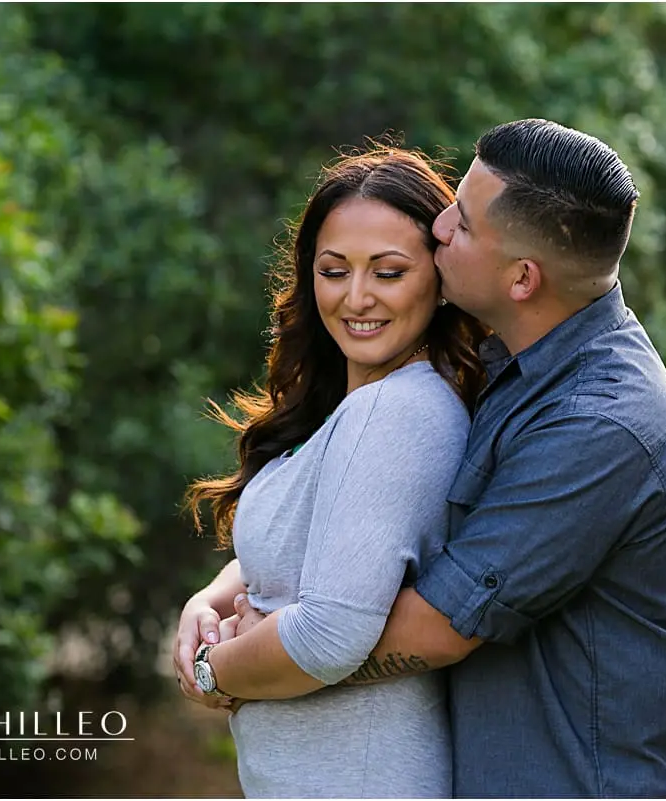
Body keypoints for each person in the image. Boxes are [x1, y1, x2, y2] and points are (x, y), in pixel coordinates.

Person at [178, 118, 666, 799]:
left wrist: (226, 665)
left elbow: (436, 627)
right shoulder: (512, 372)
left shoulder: (602, 426)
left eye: (460, 223)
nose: (439, 229)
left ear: (522, 277)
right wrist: (231, 595)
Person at [180, 146, 490, 798]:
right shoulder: (354, 408)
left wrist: (212, 672)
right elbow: (323, 537)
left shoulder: (395, 412)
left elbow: (329, 636)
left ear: (439, 278)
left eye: (388, 271)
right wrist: (208, 600)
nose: (356, 298)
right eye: (333, 270)